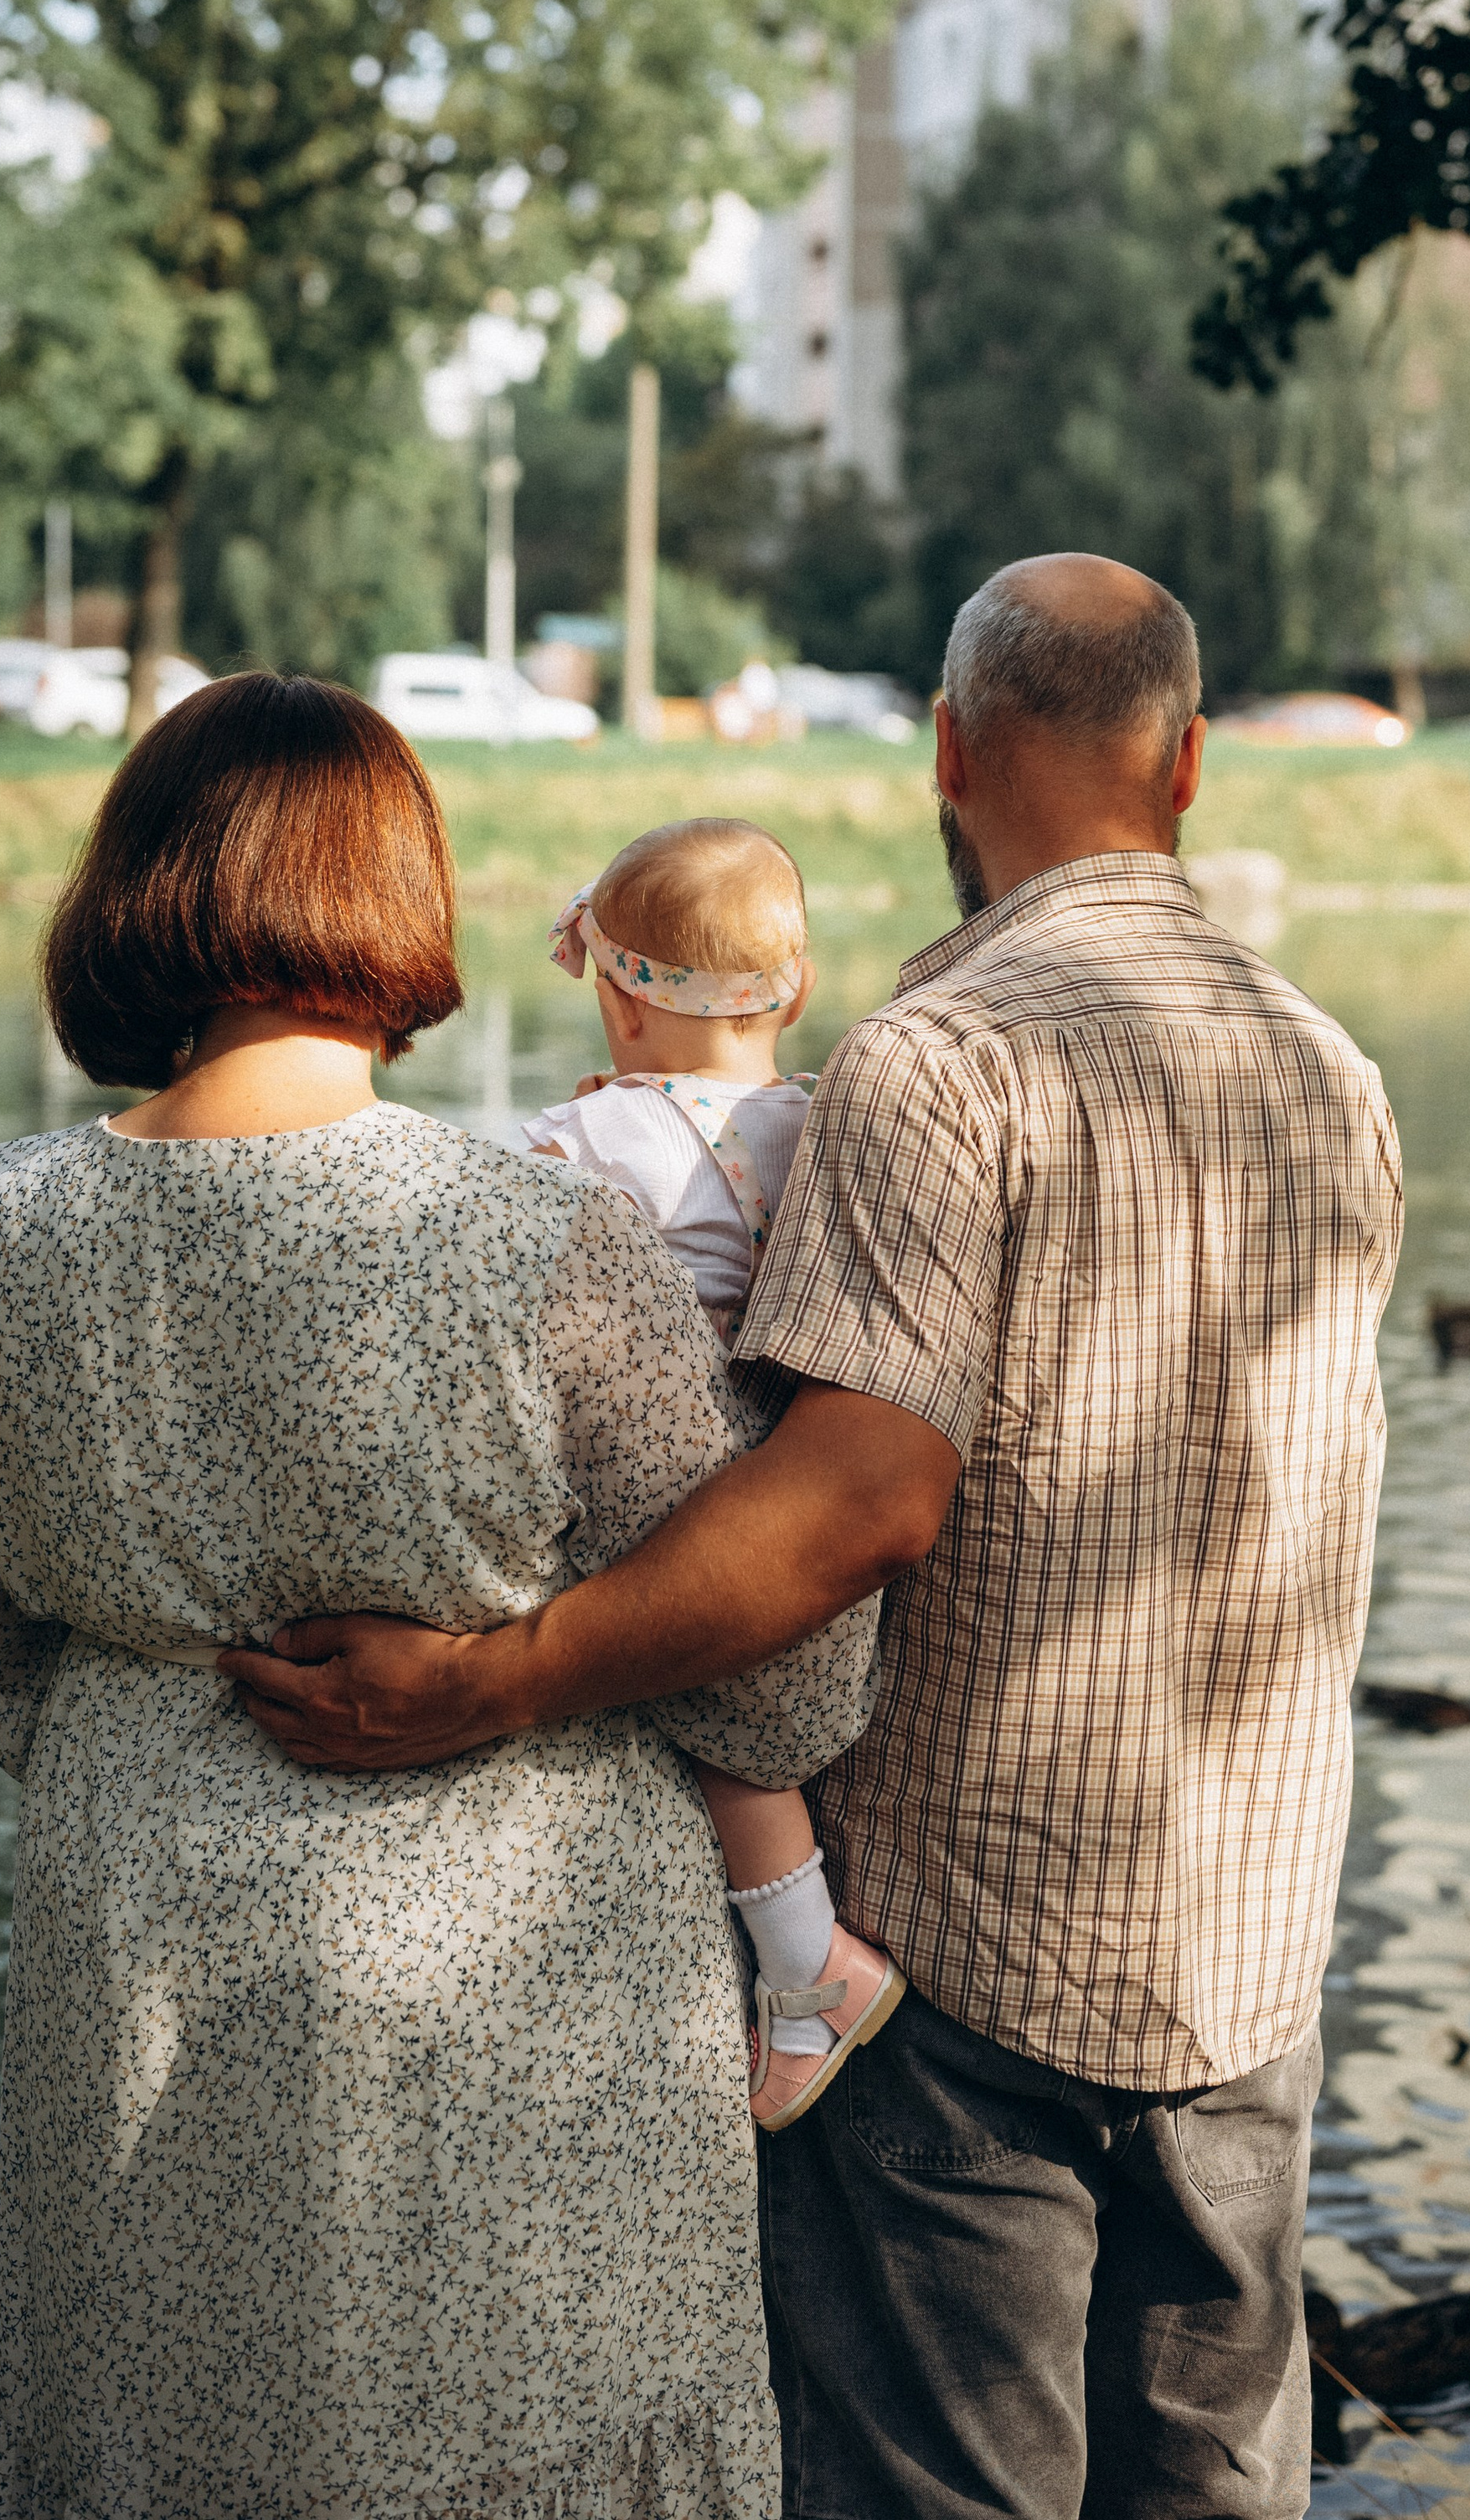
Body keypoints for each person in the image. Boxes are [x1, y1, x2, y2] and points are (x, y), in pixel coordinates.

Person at [225, 555, 1406, 2520]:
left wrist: (484, 1686)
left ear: (943, 750)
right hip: (1253, 1952)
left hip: (961, 1971)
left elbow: (856, 1499)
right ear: (1189, 764)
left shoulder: (938, 1062)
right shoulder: (1330, 1068)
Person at [0, 672, 898, 2520]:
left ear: (136, 886)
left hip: (137, 1960)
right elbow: (770, 1681)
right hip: (517, 2005)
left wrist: (168, 1750)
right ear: (397, 898)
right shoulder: (542, 1235)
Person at [524, 818, 904, 2131]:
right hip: (797, 1450)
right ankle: (794, 1968)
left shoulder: (589, 1145)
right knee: (747, 1732)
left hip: (670, 1460)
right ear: (794, 993)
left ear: (618, 1003)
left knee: (721, 1732)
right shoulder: (825, 1124)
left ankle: (811, 1971)